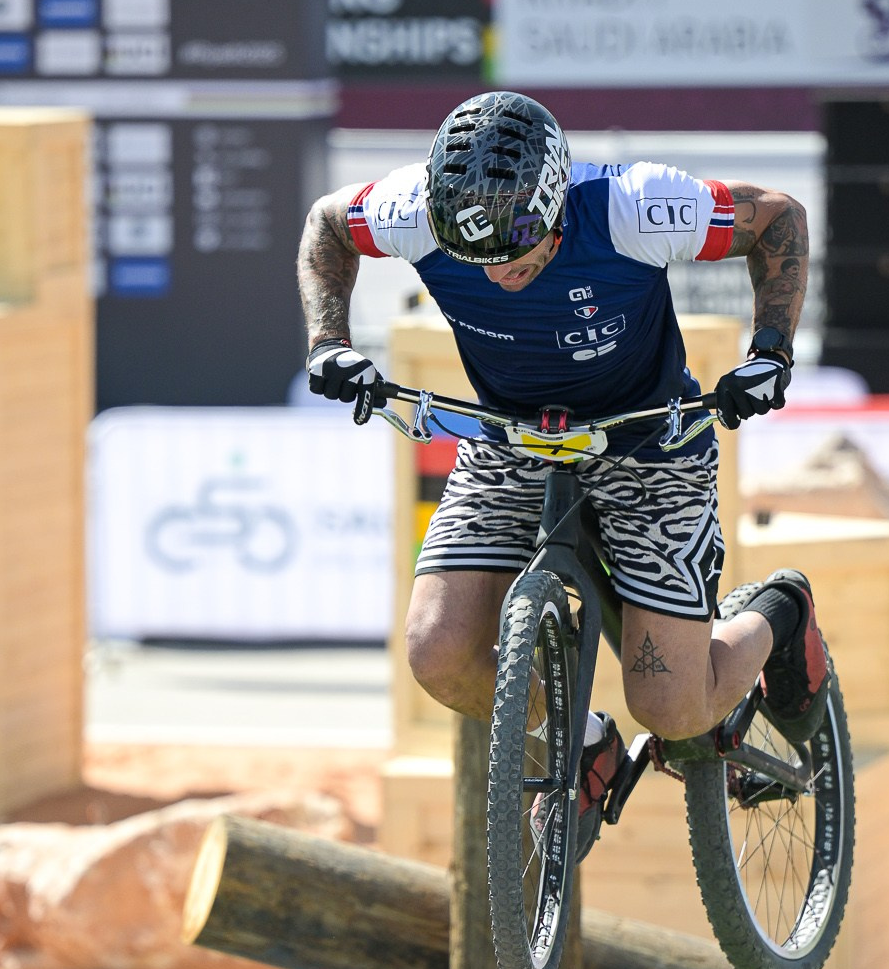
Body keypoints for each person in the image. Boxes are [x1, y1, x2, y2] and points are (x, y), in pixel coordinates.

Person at [297, 91, 830, 859]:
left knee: (674, 710)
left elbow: (776, 216)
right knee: (436, 652)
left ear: (554, 207)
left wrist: (770, 352)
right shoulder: (410, 208)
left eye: (519, 257)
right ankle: (583, 744)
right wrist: (328, 342)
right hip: (509, 438)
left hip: (648, 442)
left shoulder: (633, 207)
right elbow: (325, 224)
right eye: (479, 264)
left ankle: (780, 613)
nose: (502, 276)